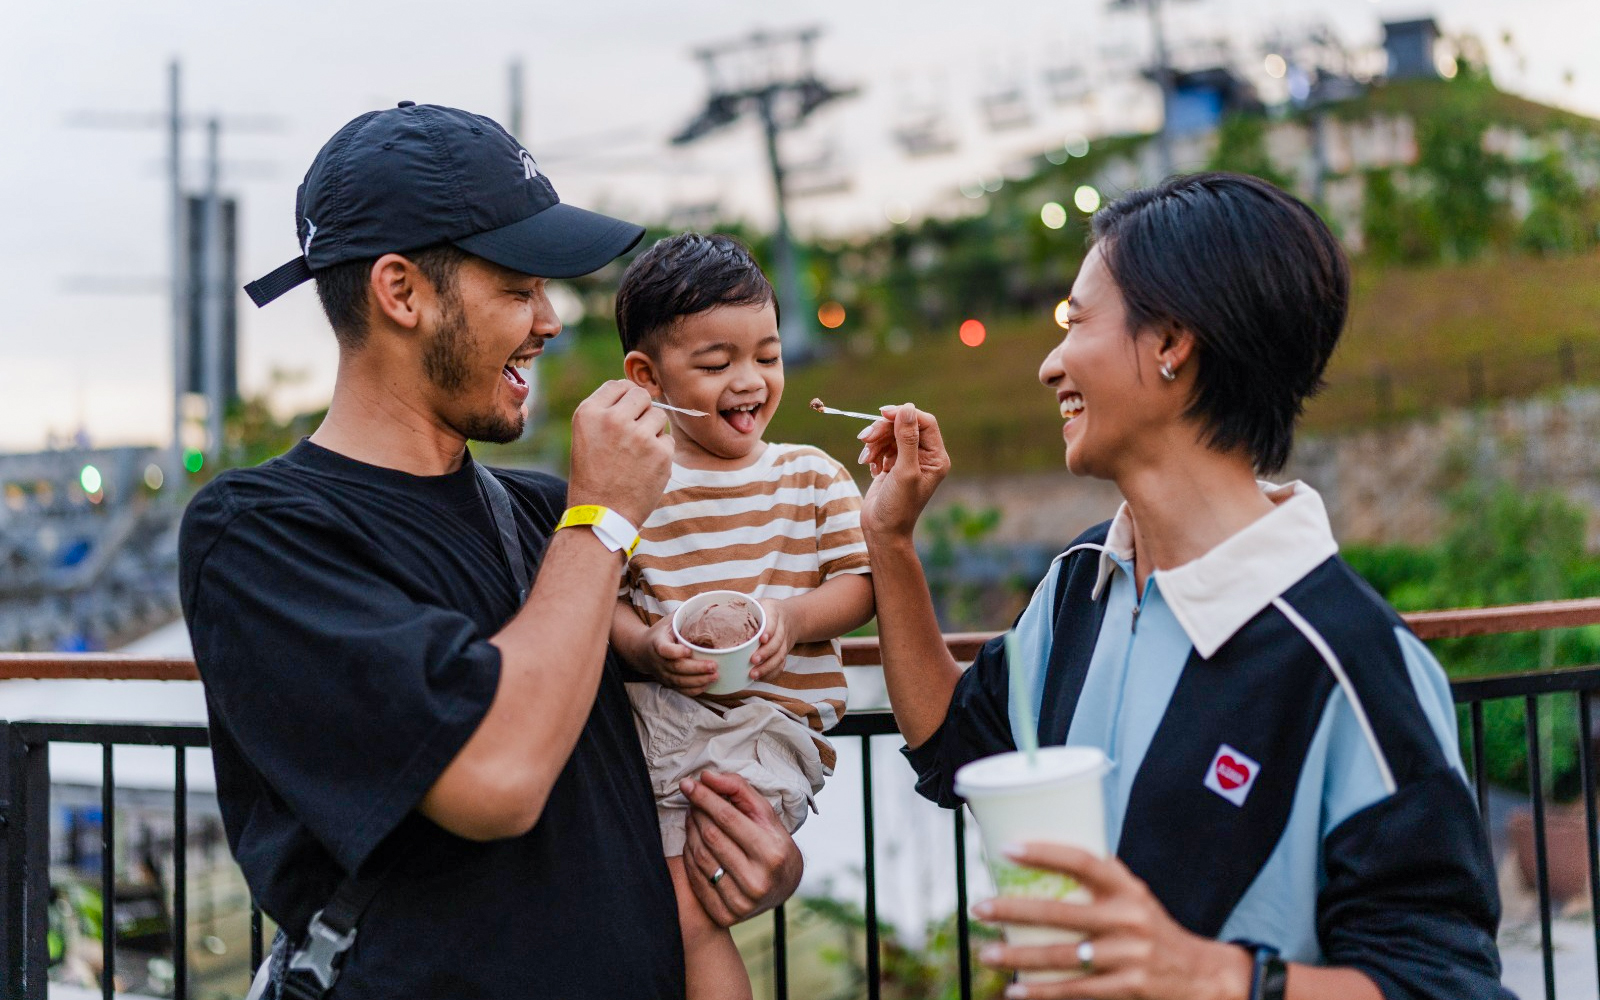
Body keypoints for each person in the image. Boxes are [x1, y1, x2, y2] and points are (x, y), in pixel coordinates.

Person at [180, 103, 802, 1000]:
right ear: (402, 293)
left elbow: (666, 775)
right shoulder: (260, 534)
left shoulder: (544, 514)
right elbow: (497, 779)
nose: (550, 321)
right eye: (518, 288)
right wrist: (603, 518)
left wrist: (750, 863)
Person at [857, 173, 1511, 1000]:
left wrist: (1208, 976)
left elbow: (1448, 984)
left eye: (1077, 320)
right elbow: (957, 744)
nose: (1048, 364)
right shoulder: (1078, 588)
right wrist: (888, 539)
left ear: (1170, 341)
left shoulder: (1350, 659)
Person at [610, 232, 876, 1000]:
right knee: (656, 912)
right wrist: (648, 648)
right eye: (717, 363)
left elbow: (861, 583)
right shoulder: (637, 484)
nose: (751, 381)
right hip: (661, 722)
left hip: (769, 728)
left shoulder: (810, 474)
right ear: (646, 377)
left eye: (767, 355)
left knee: (689, 914)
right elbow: (606, 608)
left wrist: (791, 619)